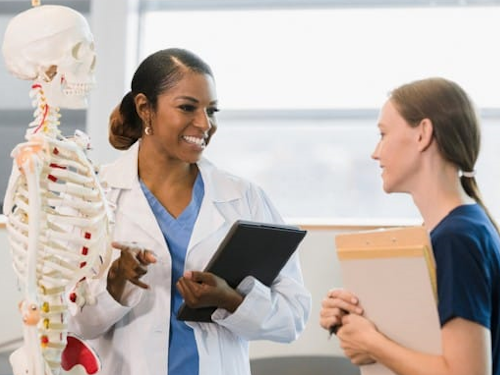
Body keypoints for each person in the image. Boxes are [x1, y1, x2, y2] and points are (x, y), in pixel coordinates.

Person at [68, 48, 311, 375]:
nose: (204, 124)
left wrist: (232, 301)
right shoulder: (92, 197)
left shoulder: (244, 198)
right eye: (187, 107)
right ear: (145, 108)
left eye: (212, 110)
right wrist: (114, 284)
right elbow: (67, 324)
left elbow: (293, 317)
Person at [319, 77, 500, 375]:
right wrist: (354, 319)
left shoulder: (458, 237)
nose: (375, 152)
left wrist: (371, 342)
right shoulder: (458, 228)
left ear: (423, 134)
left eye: (383, 134)